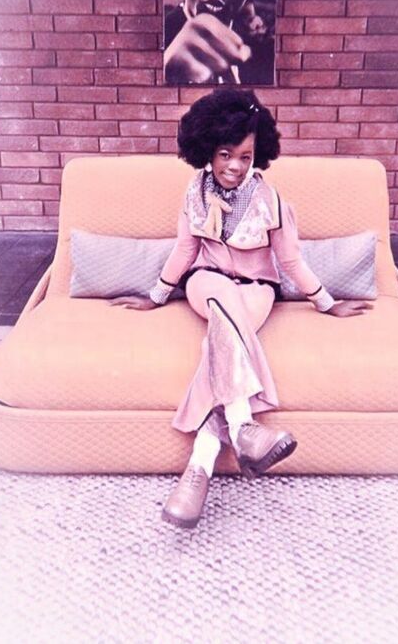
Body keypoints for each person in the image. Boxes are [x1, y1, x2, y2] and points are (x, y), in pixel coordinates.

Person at [111, 89, 372, 529]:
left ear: (258, 155)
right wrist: (155, 296)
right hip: (206, 281)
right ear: (207, 151)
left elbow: (290, 262)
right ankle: (244, 428)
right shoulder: (194, 192)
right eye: (225, 154)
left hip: (257, 290)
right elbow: (184, 250)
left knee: (221, 339)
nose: (235, 165)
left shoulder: (269, 199)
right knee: (222, 303)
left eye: (245, 156)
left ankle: (199, 467)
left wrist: (327, 304)